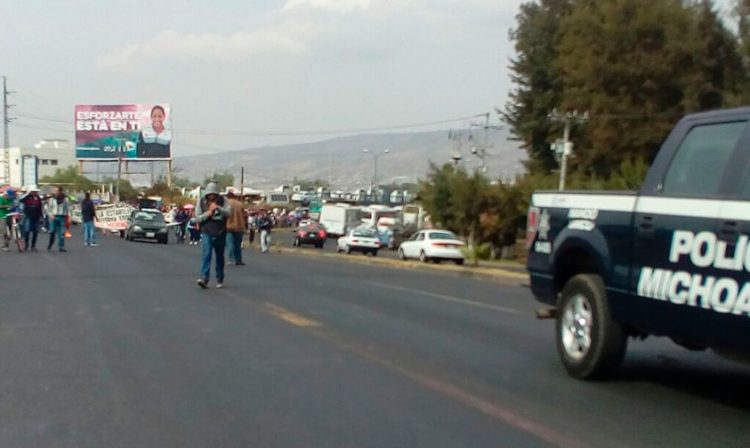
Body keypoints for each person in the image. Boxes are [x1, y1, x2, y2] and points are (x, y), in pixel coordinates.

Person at [194, 182, 231, 289]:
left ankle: (220, 278)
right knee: (207, 255)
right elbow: (197, 218)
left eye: (213, 194)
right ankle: (204, 278)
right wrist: (208, 213)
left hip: (220, 232)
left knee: (220, 256)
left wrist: (218, 208)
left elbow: (229, 213)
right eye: (209, 194)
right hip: (207, 232)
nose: (211, 196)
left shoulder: (223, 201)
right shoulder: (201, 201)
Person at [47, 186, 71, 252]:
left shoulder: (65, 199)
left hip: (62, 217)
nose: (55, 192)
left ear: (60, 191)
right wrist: (50, 215)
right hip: (53, 217)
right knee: (52, 231)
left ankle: (61, 246)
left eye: (57, 191)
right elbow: (48, 209)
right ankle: (51, 243)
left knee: (62, 233)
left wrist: (69, 217)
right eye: (54, 191)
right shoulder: (52, 199)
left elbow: (68, 209)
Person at [19, 186, 43, 251]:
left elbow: (40, 207)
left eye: (36, 191)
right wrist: (28, 194)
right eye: (34, 191)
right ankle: (26, 245)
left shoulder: (38, 198)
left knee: (35, 232)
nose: (35, 192)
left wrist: (41, 216)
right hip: (28, 216)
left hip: (36, 217)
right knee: (27, 231)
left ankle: (33, 246)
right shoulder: (27, 197)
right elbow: (21, 200)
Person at [225, 192, 246, 266]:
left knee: (230, 244)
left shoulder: (226, 203)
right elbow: (245, 215)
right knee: (238, 244)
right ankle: (239, 260)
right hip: (239, 226)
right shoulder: (240, 204)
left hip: (229, 226)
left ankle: (232, 259)